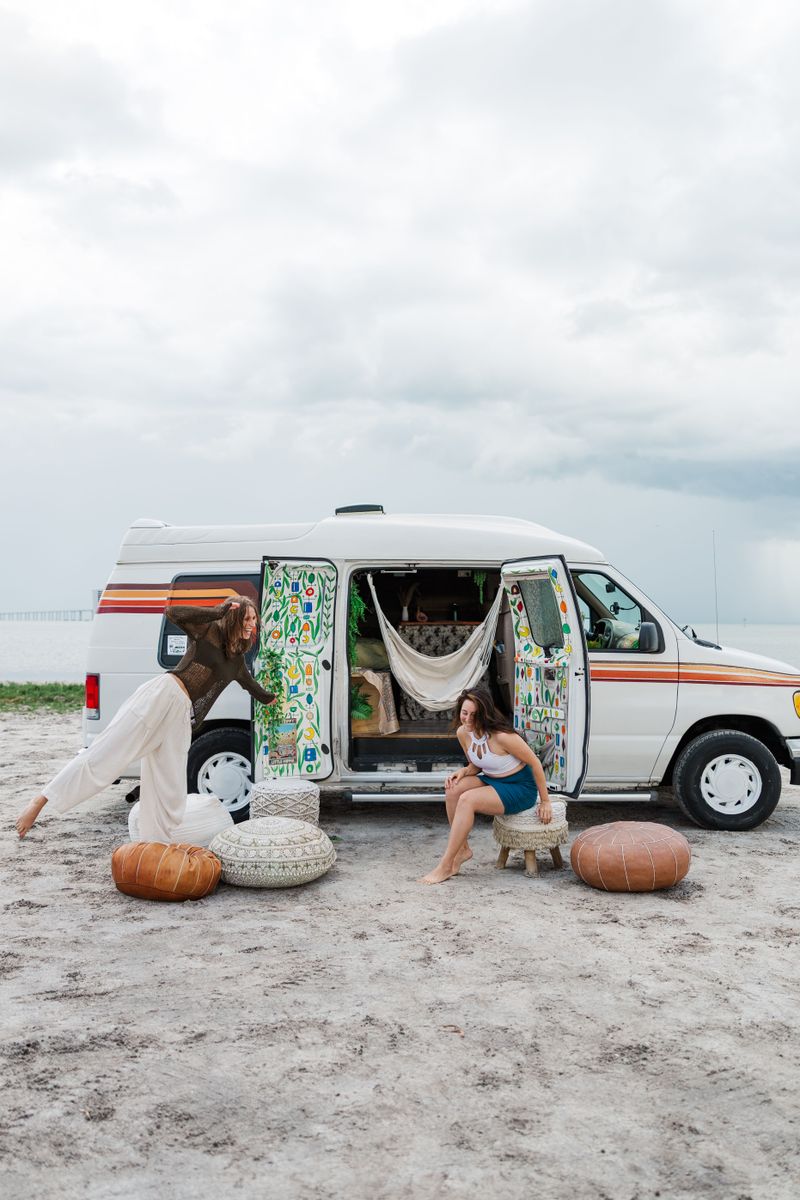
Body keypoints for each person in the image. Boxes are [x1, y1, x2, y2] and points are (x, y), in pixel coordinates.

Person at [15, 596, 276, 841]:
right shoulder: (206, 633)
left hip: (181, 714)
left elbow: (253, 688)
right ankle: (41, 800)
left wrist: (276, 698)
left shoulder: (236, 660)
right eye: (247, 618)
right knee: (108, 752)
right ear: (233, 618)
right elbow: (174, 613)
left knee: (171, 784)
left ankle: (156, 842)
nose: (252, 625)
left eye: (254, 620)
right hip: (163, 694)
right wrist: (218, 611)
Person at [420, 686, 552, 885]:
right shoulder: (463, 733)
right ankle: (463, 849)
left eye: (475, 715)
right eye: (465, 713)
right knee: (454, 789)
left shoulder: (503, 737)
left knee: (467, 800)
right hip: (492, 779)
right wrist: (463, 771)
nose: (468, 719)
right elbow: (477, 764)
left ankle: (446, 864)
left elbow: (535, 763)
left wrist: (545, 801)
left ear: (485, 714)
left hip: (519, 787)